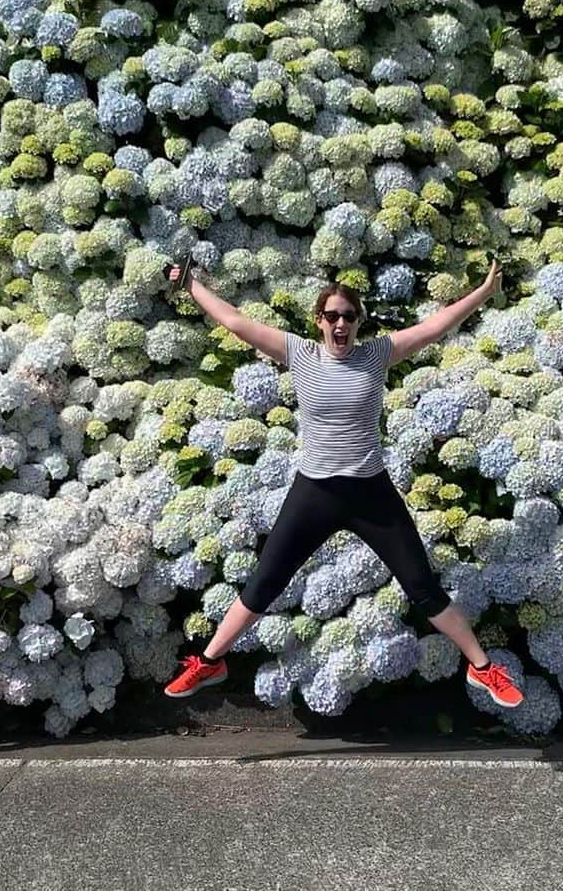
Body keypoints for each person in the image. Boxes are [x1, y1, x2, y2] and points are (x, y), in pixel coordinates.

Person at [162, 260, 523, 709]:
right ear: (319, 321)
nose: (340, 324)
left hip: (370, 493)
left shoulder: (376, 355)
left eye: (348, 316)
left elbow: (435, 326)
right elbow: (236, 322)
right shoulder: (300, 354)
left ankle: (483, 668)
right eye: (331, 316)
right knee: (264, 584)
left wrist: (485, 292)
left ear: (359, 322)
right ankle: (210, 661)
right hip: (314, 493)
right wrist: (191, 284)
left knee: (423, 587)